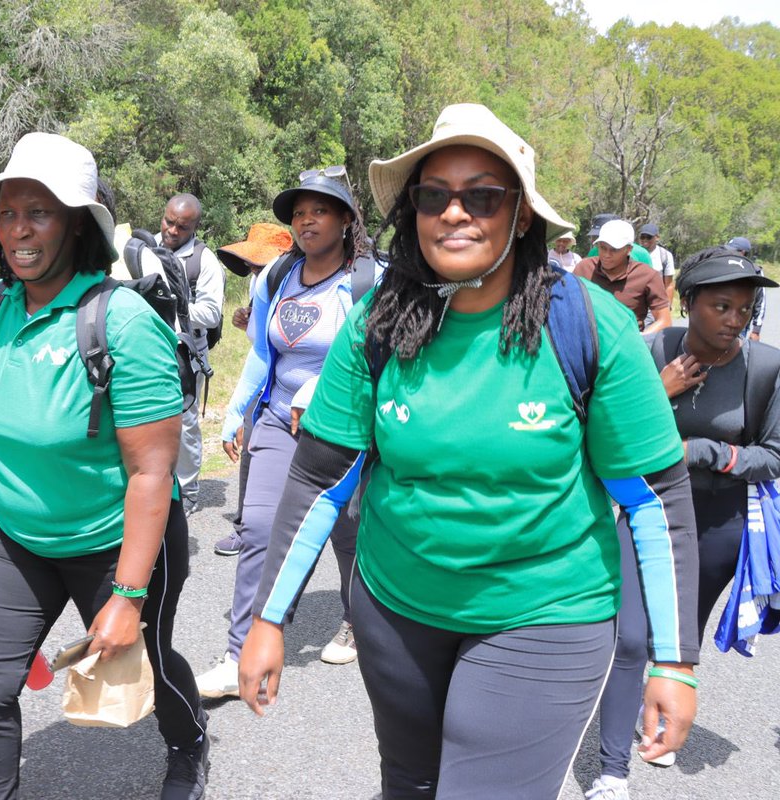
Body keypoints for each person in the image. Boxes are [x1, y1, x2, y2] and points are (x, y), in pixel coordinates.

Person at [238, 103, 701, 799]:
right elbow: (322, 481)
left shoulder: (585, 323)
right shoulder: (380, 320)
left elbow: (654, 500)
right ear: (413, 214)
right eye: (434, 196)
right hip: (396, 610)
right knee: (411, 787)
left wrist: (674, 660)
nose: (455, 213)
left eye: (482, 195)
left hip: (543, 615)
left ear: (520, 215)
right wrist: (267, 619)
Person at [0, 132, 208, 800]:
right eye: (7, 212)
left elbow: (153, 471)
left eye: (40, 211)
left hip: (114, 541)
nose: (18, 229)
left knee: (150, 659)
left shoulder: (122, 323)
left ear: (76, 224)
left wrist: (126, 596)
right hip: (8, 535)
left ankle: (188, 742)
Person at [587, 248, 780, 800]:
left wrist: (706, 451)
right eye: (721, 305)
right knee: (631, 638)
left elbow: (773, 455)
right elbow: (600, 425)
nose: (734, 320)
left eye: (745, 309)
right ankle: (611, 770)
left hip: (718, 525)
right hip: (642, 511)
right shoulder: (648, 353)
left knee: (677, 638)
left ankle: (662, 715)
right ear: (687, 302)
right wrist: (660, 389)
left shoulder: (765, 369)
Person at [196, 168, 377, 699]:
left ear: (346, 219)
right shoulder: (279, 274)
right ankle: (239, 653)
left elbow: (377, 355)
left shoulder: (367, 281)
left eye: (320, 210)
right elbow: (262, 350)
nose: (306, 220)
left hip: (344, 430)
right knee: (256, 528)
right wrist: (236, 410)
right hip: (278, 421)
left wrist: (320, 388)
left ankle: (357, 623)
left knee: (347, 534)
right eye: (299, 212)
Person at [212, 223, 294, 558]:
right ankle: (247, 527)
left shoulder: (295, 279)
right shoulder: (262, 280)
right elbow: (260, 342)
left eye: (259, 264)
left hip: (296, 384)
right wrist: (247, 320)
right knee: (251, 449)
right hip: (263, 377)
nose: (252, 269)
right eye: (251, 264)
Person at [158, 193, 227, 515]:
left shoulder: (205, 262)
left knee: (184, 423)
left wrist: (169, 310)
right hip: (146, 351)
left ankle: (187, 490)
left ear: (195, 227)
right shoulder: (143, 248)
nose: (171, 231)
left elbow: (212, 313)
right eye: (168, 221)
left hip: (186, 355)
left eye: (181, 227)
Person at [574, 219, 672, 333]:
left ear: (629, 249)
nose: (606, 255)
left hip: (628, 346)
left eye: (614, 250)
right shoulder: (584, 268)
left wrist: (640, 339)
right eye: (602, 247)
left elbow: (664, 320)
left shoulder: (648, 276)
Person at [727, 236, 766, 340]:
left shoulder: (755, 271)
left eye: (732, 251)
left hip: (740, 325)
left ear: (743, 252)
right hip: (717, 322)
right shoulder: (723, 267)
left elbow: (760, 302)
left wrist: (756, 330)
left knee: (735, 354)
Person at [638, 222, 675, 301]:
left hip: (656, 301)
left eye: (648, 237)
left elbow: (669, 285)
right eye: (642, 237)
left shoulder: (665, 256)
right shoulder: (633, 253)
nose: (645, 240)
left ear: (657, 237)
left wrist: (667, 307)